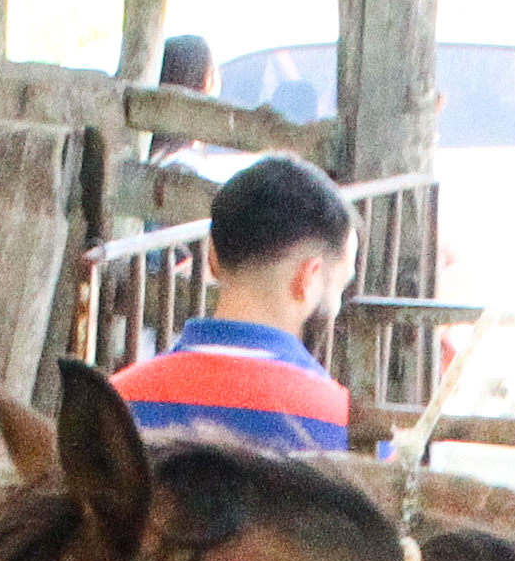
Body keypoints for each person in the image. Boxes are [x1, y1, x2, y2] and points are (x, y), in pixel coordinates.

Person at [110, 153, 356, 453]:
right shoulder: (343, 423)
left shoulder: (116, 402)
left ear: (211, 257)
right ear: (308, 276)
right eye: (341, 289)